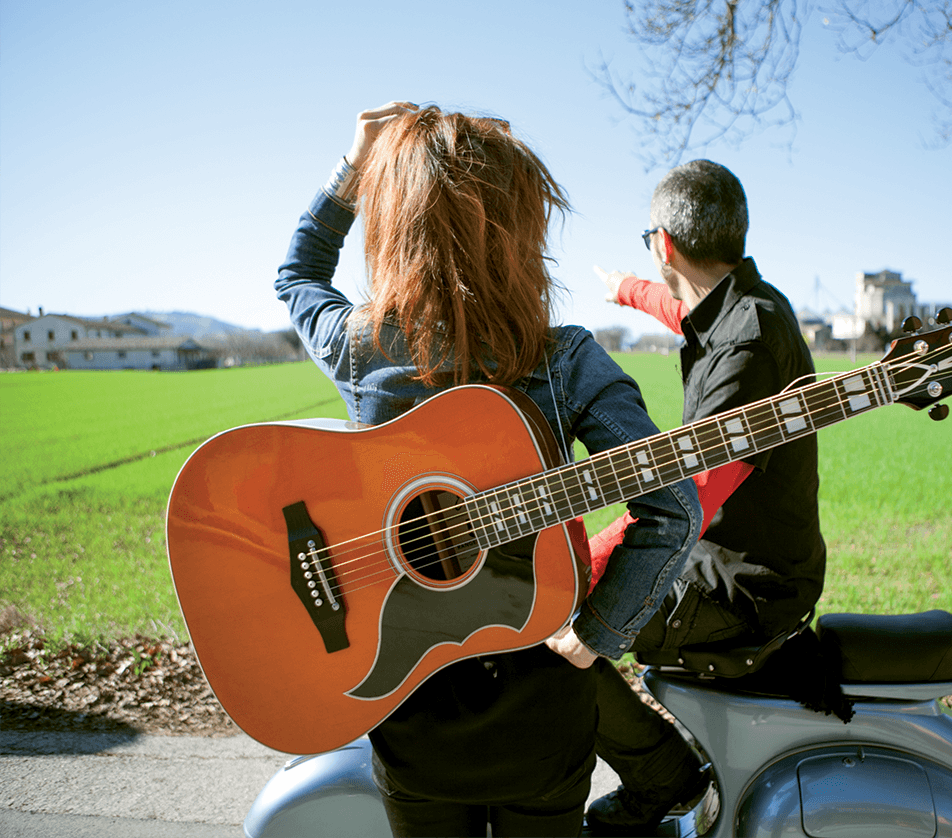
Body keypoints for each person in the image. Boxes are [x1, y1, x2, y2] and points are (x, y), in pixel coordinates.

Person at [275, 101, 701, 838]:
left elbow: (298, 274)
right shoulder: (566, 359)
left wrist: (352, 167)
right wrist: (599, 633)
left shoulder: (360, 345)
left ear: (394, 226)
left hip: (406, 708)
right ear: (522, 231)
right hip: (544, 710)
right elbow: (675, 508)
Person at [586, 159, 827, 834]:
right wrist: (630, 289)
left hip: (741, 587)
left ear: (664, 244)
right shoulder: (744, 307)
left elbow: (691, 495)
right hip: (729, 560)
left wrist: (587, 556)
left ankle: (657, 774)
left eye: (649, 247)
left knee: (540, 605)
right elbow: (686, 313)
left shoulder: (749, 344)